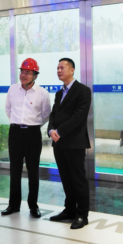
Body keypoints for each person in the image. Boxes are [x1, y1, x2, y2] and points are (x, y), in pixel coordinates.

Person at [1, 58, 51, 218]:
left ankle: (33, 206)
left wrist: (33, 124)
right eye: (22, 71)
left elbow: (46, 114)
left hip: (32, 134)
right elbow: (8, 109)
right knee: (14, 169)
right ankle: (13, 205)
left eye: (28, 72)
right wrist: (17, 122)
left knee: (33, 171)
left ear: (35, 75)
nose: (23, 75)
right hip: (15, 133)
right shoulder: (12, 89)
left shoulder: (42, 93)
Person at [47, 58, 92, 229]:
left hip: (74, 143)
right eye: (57, 68)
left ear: (72, 70)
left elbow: (79, 116)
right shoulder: (59, 93)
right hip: (59, 143)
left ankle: (82, 214)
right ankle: (70, 210)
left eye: (62, 68)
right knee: (66, 179)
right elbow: (54, 114)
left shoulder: (83, 90)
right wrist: (51, 130)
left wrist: (59, 131)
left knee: (78, 180)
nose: (59, 70)